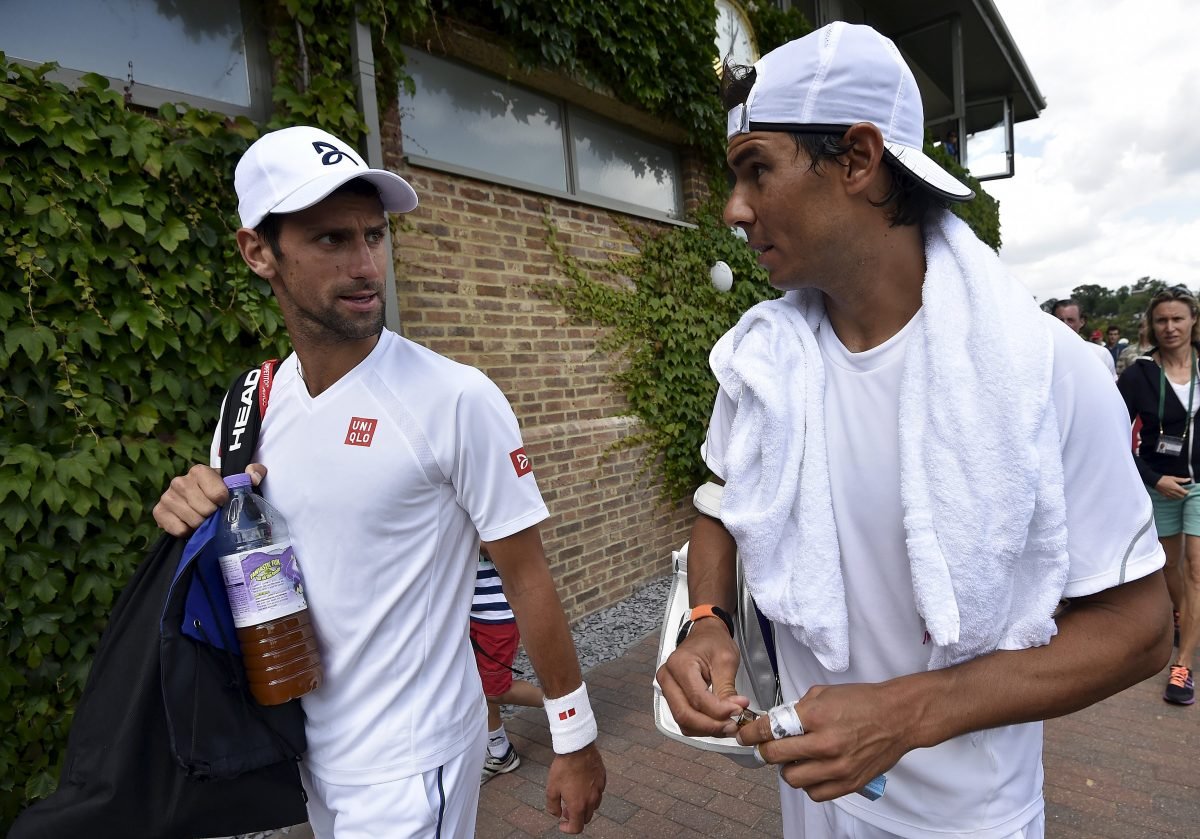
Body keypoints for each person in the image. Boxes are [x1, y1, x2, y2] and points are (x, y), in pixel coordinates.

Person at [656, 23, 1171, 839]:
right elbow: (722, 507)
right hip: (813, 797)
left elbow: (1143, 630)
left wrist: (907, 713)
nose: (734, 209)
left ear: (858, 159)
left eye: (757, 169)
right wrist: (708, 619)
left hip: (969, 820)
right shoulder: (762, 366)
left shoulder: (1043, 371)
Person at [152, 126, 605, 837]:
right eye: (332, 240)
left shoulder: (455, 397)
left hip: (411, 760)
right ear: (257, 252)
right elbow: (248, 556)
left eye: (374, 235)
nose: (367, 265)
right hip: (302, 747)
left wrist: (574, 738)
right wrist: (193, 507)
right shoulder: (249, 404)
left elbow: (528, 575)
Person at [1117, 286, 1200, 705]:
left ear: (1193, 322)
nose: (1170, 327)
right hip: (1160, 484)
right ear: (1152, 325)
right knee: (1170, 569)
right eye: (1162, 320)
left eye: (1178, 319)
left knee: (1196, 568)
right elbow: (1111, 433)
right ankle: (1184, 613)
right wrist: (1152, 477)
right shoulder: (1139, 375)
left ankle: (1182, 665)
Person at [470, 547, 546, 783]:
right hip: (465, 613)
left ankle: (563, 704)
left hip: (494, 614)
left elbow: (508, 549)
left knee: (493, 690)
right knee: (476, 685)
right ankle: (500, 751)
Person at [1051, 298, 1117, 379]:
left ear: (1082, 322)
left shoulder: (1100, 354)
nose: (1065, 324)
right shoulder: (1045, 355)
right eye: (1060, 320)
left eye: (1070, 320)